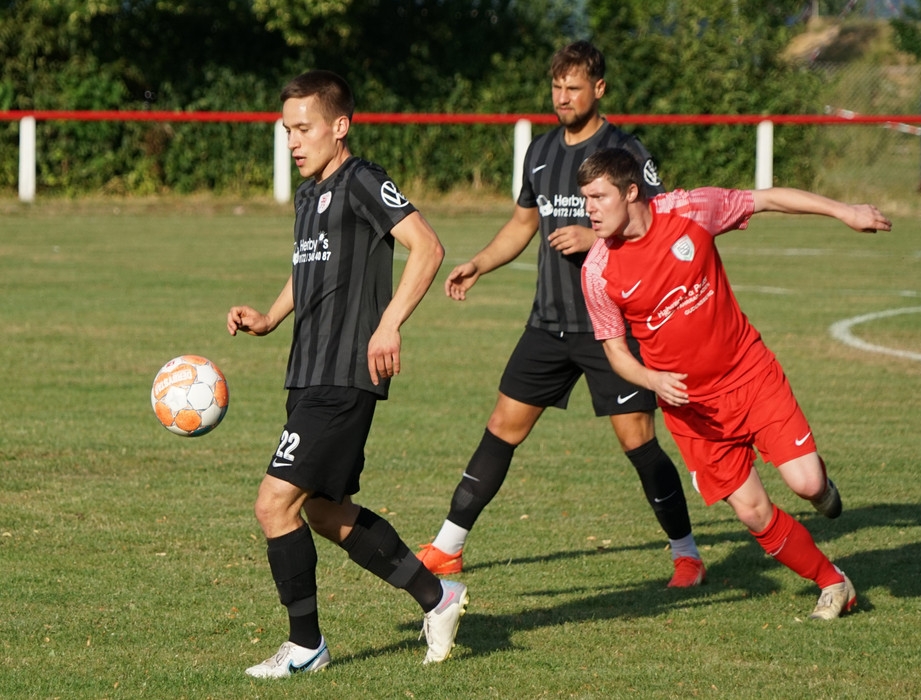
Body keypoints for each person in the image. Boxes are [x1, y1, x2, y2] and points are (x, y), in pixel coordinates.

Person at [416, 41, 706, 589]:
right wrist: (479, 263)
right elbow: (522, 224)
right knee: (502, 427)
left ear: (600, 88)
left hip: (610, 327)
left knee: (637, 441)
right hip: (548, 323)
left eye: (574, 87)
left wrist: (598, 238)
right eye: (556, 87)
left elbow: (659, 227)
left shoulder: (625, 151)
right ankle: (447, 547)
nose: (563, 97)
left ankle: (686, 555)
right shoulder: (541, 151)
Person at [578, 147, 893, 619]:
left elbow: (765, 199)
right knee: (752, 512)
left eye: (599, 197)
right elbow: (615, 352)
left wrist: (844, 211)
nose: (590, 210)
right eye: (585, 199)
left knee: (806, 482)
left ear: (630, 192)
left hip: (749, 374)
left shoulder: (690, 210)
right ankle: (833, 582)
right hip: (693, 409)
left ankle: (820, 487)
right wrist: (652, 379)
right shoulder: (597, 271)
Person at [226, 69, 467, 677]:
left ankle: (306, 646)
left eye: (303, 128)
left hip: (343, 374)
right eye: (286, 130)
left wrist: (389, 324)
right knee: (326, 513)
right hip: (307, 372)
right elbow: (308, 267)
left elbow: (427, 246)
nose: (293, 141)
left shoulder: (362, 180)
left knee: (273, 505)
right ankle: (438, 597)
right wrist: (269, 317)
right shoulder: (309, 195)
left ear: (340, 126)